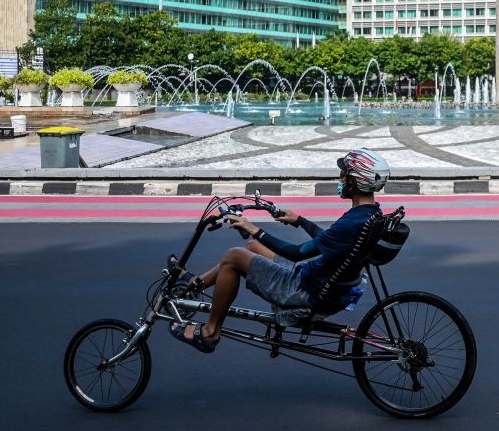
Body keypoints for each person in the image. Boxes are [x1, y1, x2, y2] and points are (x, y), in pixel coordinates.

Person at [167, 148, 390, 353]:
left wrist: (253, 228)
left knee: (234, 256)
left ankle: (210, 332)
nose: (341, 180)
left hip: (305, 290)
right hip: (318, 279)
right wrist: (300, 221)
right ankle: (197, 284)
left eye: (345, 176)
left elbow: (295, 252)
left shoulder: (351, 223)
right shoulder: (369, 214)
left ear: (355, 181)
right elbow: (330, 241)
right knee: (253, 248)